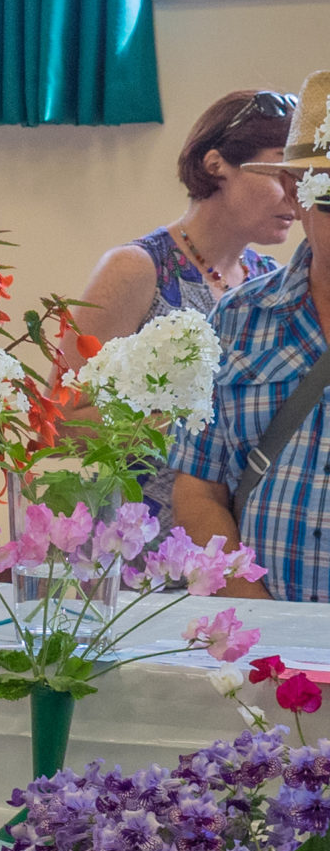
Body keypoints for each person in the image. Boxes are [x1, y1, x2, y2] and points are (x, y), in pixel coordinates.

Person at [73, 88, 301, 522]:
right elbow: (65, 418)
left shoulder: (269, 280)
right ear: (216, 165)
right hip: (139, 544)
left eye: (301, 179)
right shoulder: (137, 268)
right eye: (279, 174)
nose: (294, 195)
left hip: (234, 540)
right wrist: (195, 427)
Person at [172, 73, 330, 600]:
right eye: (329, 194)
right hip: (263, 653)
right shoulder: (239, 318)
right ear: (296, 195)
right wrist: (256, 618)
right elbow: (198, 487)